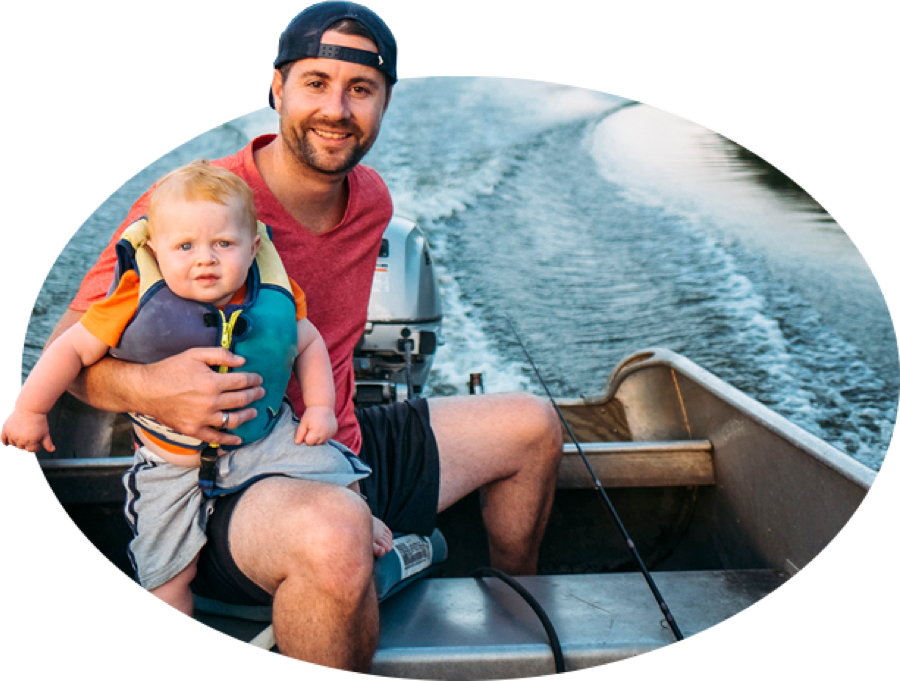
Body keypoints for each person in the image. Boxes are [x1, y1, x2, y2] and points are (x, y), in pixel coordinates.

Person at [44, 1, 563, 671]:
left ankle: (518, 630)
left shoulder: (372, 200)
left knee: (531, 425)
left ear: (385, 102)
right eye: (315, 83)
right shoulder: (193, 210)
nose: (336, 109)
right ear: (276, 88)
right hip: (225, 481)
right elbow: (70, 350)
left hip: (338, 445)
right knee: (333, 532)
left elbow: (321, 345)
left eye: (361, 90)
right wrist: (152, 387)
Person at [1, 159, 392, 615]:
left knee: (339, 470)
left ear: (254, 247)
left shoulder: (275, 293)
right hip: (173, 461)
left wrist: (321, 407)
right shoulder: (132, 296)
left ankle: (364, 520)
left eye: (223, 243)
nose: (205, 258)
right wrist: (30, 410)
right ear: (156, 251)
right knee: (165, 576)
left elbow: (308, 342)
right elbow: (69, 351)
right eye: (184, 246)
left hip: (266, 439)